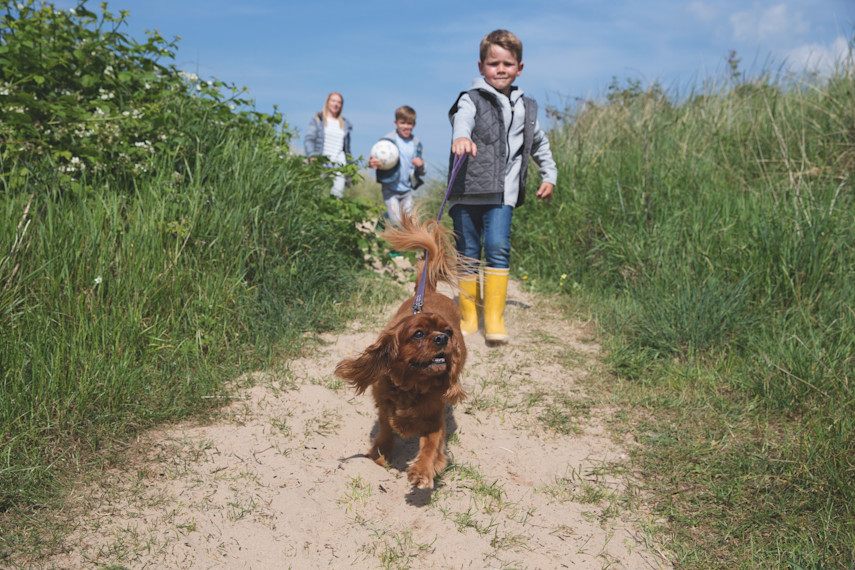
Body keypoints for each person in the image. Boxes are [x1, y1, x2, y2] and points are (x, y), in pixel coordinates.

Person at [448, 29, 557, 344]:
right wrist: (461, 137)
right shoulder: (471, 99)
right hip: (466, 191)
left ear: (519, 68)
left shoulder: (527, 108)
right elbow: (462, 119)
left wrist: (549, 174)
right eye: (493, 63)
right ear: (481, 66)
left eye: (507, 64)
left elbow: (538, 144)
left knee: (497, 247)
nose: (500, 69)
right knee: (467, 252)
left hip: (502, 194)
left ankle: (494, 317)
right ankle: (470, 315)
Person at [368, 105, 425, 227]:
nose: (406, 126)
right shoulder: (386, 142)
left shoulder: (416, 144)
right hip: (390, 188)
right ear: (396, 123)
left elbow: (422, 170)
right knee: (397, 221)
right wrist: (372, 163)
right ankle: (389, 233)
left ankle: (385, 219)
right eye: (402, 123)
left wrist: (421, 166)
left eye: (409, 123)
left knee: (408, 222)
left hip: (407, 190)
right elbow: (374, 159)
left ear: (414, 124)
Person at [304, 92, 353, 198]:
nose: (336, 104)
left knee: (337, 195)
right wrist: (312, 155)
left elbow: (347, 149)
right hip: (321, 161)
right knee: (317, 193)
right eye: (333, 101)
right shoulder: (317, 119)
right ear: (327, 102)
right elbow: (309, 139)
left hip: (339, 164)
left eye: (339, 102)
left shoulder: (345, 124)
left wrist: (350, 168)